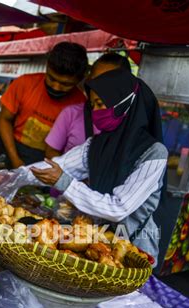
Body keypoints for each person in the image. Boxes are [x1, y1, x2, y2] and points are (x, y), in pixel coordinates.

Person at [30, 68, 167, 263]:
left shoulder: (154, 153)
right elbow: (59, 165)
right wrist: (13, 176)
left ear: (124, 104)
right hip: (97, 247)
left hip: (132, 253)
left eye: (101, 104)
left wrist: (65, 183)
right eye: (92, 105)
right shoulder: (96, 144)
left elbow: (118, 208)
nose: (95, 111)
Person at [0, 42, 88, 167]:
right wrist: (14, 158)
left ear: (80, 79)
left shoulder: (81, 105)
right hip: (14, 152)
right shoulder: (24, 84)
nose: (56, 87)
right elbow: (4, 119)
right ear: (47, 67)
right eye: (51, 78)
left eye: (65, 84)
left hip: (52, 164)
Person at [44, 53, 132, 158]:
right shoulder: (71, 114)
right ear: (88, 81)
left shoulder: (133, 122)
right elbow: (51, 153)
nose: (99, 86)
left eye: (108, 81)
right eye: (96, 80)